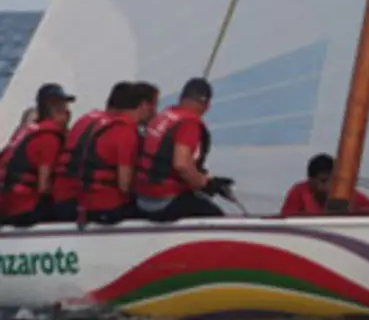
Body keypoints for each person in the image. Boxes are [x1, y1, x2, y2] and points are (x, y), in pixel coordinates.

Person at [135, 77, 234, 222]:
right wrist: (205, 184)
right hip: (164, 201)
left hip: (142, 198)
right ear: (206, 104)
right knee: (215, 216)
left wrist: (207, 178)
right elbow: (181, 164)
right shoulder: (189, 122)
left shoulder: (162, 117)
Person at [50, 81, 144, 225]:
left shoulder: (87, 119)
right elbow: (124, 183)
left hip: (65, 196)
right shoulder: (118, 129)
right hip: (79, 199)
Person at [0, 84, 74, 227]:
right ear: (52, 109)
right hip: (25, 209)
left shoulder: (26, 131)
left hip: (7, 203)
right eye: (63, 107)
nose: (68, 112)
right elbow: (43, 186)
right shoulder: (48, 138)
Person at [280, 154, 369, 216]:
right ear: (311, 180)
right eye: (323, 180)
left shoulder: (346, 193)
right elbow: (286, 218)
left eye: (332, 180)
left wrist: (353, 211)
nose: (329, 185)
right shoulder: (299, 192)